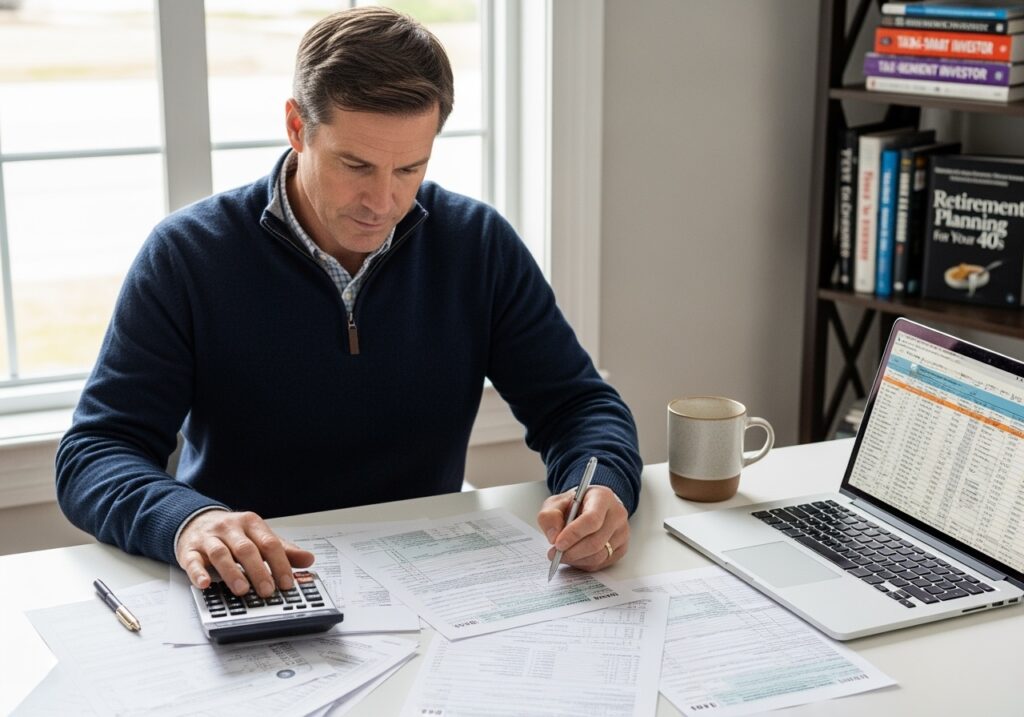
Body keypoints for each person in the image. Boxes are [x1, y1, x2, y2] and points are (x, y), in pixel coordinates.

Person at [56, 6, 641, 600]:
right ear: (296, 128)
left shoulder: (476, 243)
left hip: (431, 579)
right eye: (355, 165)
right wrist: (188, 520)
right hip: (252, 585)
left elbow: (576, 406)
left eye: (410, 168)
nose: (382, 202)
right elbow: (95, 453)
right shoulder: (188, 255)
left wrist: (602, 486)